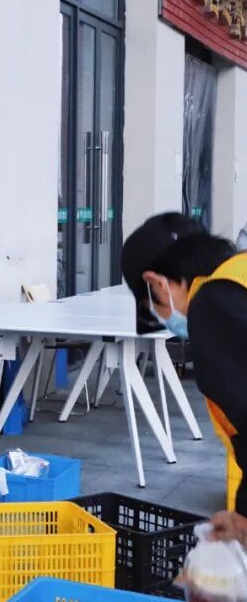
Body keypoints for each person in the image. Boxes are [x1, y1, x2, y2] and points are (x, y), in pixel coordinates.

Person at [122, 212, 247, 514]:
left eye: (150, 307)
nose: (162, 318)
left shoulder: (214, 306)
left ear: (156, 283)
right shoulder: (239, 273)